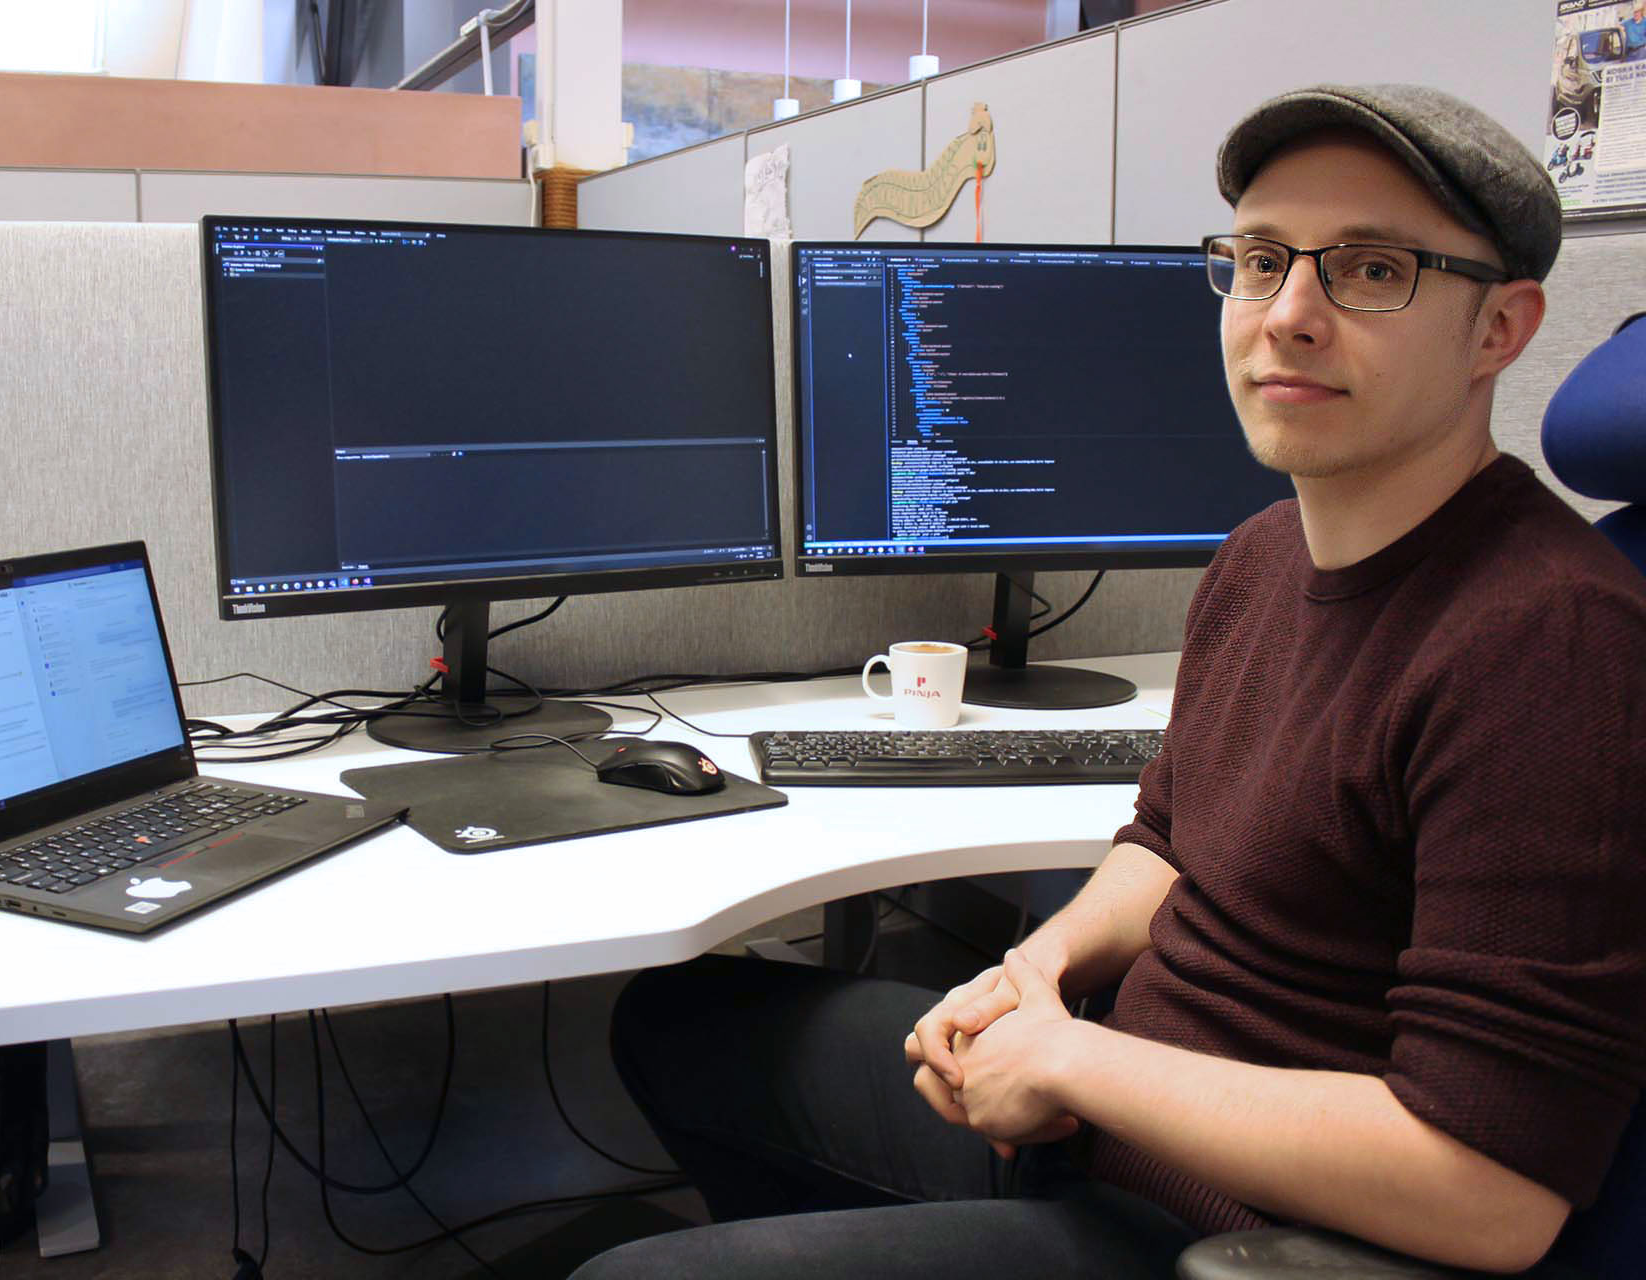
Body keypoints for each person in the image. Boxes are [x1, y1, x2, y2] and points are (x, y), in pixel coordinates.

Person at [573, 84, 1646, 1279]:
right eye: (1259, 259)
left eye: (1373, 269)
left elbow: (1490, 1193)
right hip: (1101, 1126)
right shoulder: (1263, 556)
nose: (1289, 313)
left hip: (1233, 1236)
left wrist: (1077, 1063)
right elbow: (1171, 839)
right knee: (679, 1021)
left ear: (1500, 328)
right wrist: (1042, 969)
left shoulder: (1551, 646)